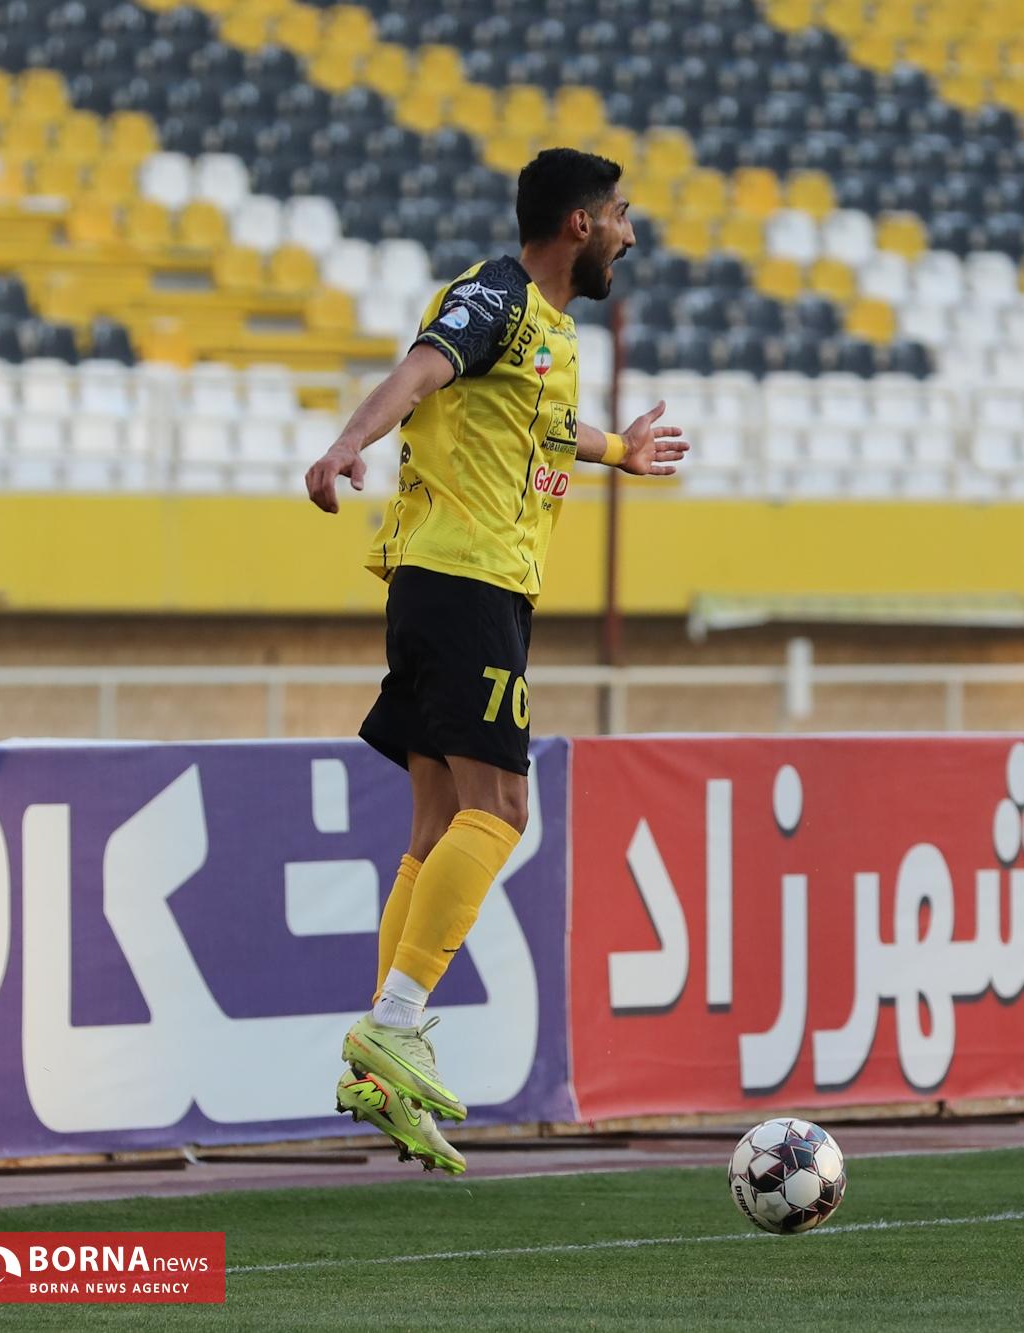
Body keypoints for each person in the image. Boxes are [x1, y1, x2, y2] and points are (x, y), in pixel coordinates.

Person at [302, 148, 688, 1174]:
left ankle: (380, 1065)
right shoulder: (497, 299)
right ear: (578, 224)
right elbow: (420, 369)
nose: (631, 233)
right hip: (466, 585)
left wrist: (621, 451)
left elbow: (545, 428)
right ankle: (394, 1022)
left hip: (452, 587)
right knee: (503, 810)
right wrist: (347, 444)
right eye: (621, 214)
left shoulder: (545, 329)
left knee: (436, 825)